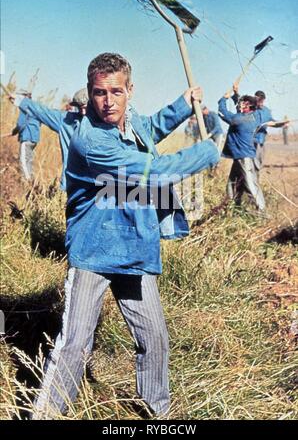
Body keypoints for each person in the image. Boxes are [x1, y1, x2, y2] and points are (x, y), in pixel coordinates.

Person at [31, 52, 220, 419]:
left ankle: (156, 414)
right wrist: (206, 152)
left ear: (129, 90)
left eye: (116, 92)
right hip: (94, 252)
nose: (108, 102)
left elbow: (155, 125)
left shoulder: (131, 123)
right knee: (74, 344)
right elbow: (152, 171)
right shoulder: (90, 141)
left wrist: (184, 104)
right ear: (90, 92)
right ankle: (46, 414)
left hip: (134, 250)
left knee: (154, 340)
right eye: (100, 93)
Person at [10, 88, 88, 190]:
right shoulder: (66, 121)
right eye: (79, 108)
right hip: (70, 187)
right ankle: (28, 184)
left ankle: (27, 181)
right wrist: (21, 101)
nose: (83, 112)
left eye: (87, 107)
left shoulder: (107, 123)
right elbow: (41, 111)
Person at [218, 91, 266, 212]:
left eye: (243, 102)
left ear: (249, 105)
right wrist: (235, 95)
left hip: (243, 157)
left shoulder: (239, 119)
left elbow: (222, 113)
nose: (241, 104)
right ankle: (232, 207)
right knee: (232, 184)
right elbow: (239, 110)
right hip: (240, 157)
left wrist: (223, 99)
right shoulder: (252, 117)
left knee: (251, 185)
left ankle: (262, 211)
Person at [232, 86, 289, 172]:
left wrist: (283, 123)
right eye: (258, 100)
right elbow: (239, 103)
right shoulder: (249, 108)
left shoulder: (266, 111)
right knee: (248, 165)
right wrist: (236, 93)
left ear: (264, 100)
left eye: (262, 100)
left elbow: (272, 123)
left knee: (258, 164)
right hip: (248, 141)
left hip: (260, 141)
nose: (260, 102)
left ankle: (255, 180)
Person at [11, 90, 41, 181]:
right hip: (34, 138)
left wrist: (15, 131)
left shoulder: (24, 107)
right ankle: (31, 179)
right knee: (29, 160)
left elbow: (21, 124)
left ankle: (27, 182)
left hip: (26, 137)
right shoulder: (34, 107)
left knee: (23, 161)